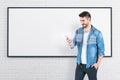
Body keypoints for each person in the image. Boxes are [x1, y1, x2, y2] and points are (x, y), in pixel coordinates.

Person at [66, 11, 105, 80]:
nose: (81, 23)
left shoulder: (97, 33)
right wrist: (71, 43)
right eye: (80, 20)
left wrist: (97, 64)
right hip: (80, 64)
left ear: (89, 19)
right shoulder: (78, 31)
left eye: (83, 20)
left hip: (91, 65)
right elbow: (74, 44)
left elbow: (101, 50)